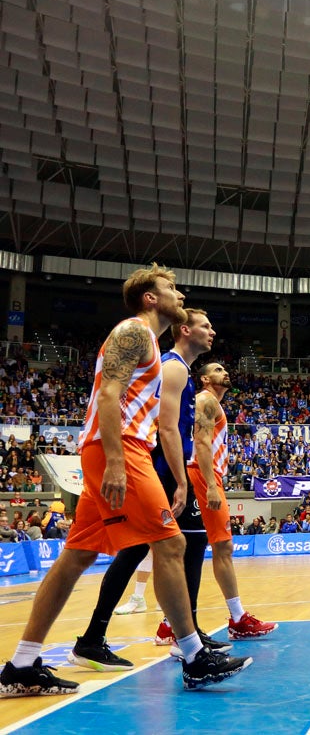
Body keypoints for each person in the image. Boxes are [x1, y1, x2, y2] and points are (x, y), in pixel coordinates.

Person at [1, 266, 249, 696]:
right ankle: (194, 656)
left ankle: (21, 663)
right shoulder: (134, 332)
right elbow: (108, 395)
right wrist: (116, 461)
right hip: (121, 449)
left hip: (116, 448)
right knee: (171, 544)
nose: (179, 294)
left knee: (75, 557)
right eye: (170, 288)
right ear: (150, 298)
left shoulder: (149, 341)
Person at [72, 308, 231, 667]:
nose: (213, 331)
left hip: (158, 467)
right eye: (206, 325)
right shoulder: (173, 367)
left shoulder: (180, 369)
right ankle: (181, 639)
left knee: (158, 550)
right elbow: (167, 428)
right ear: (185, 330)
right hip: (154, 467)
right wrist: (179, 480)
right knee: (171, 548)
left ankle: (111, 635)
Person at [187, 362, 278, 640]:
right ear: (204, 379)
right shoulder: (206, 400)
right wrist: (212, 485)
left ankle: (174, 623)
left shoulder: (212, 402)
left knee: (204, 549)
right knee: (217, 547)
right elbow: (201, 443)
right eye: (216, 370)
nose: (224, 372)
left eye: (224, 369)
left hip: (205, 475)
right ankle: (237, 619)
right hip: (201, 476)